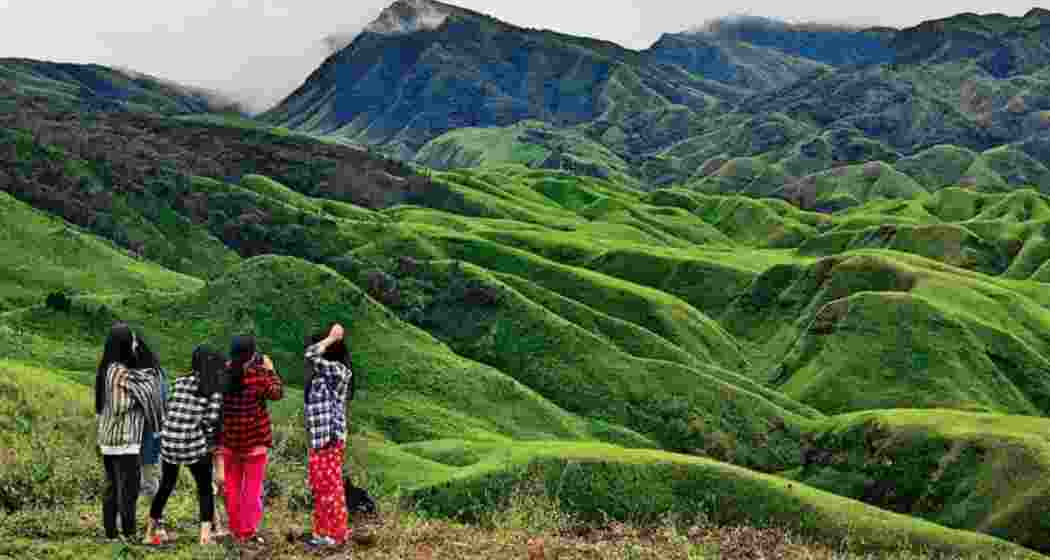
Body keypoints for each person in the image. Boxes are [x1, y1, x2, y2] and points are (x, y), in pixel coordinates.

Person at [144, 346, 225, 546]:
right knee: (204, 488)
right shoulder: (214, 389)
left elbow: (170, 407)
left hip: (168, 442)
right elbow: (210, 421)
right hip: (191, 445)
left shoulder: (179, 381)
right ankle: (205, 537)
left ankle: (148, 533)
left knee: (166, 485)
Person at [95, 323, 165, 541]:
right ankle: (129, 532)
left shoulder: (109, 368)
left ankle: (112, 532)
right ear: (124, 343)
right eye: (132, 340)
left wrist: (141, 391)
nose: (135, 344)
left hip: (110, 439)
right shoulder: (117, 370)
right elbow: (120, 404)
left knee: (113, 486)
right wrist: (140, 399)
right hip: (124, 439)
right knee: (129, 488)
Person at [220, 335, 283, 544]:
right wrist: (270, 370)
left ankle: (236, 529)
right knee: (252, 488)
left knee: (232, 486)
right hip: (255, 442)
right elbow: (277, 393)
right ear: (252, 354)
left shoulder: (223, 374)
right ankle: (248, 530)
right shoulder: (258, 375)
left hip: (229, 442)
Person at [303, 323, 353, 547]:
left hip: (330, 439)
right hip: (319, 440)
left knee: (331, 488)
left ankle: (337, 533)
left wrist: (331, 338)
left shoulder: (339, 371)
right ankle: (323, 532)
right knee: (320, 487)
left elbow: (310, 354)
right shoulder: (322, 375)